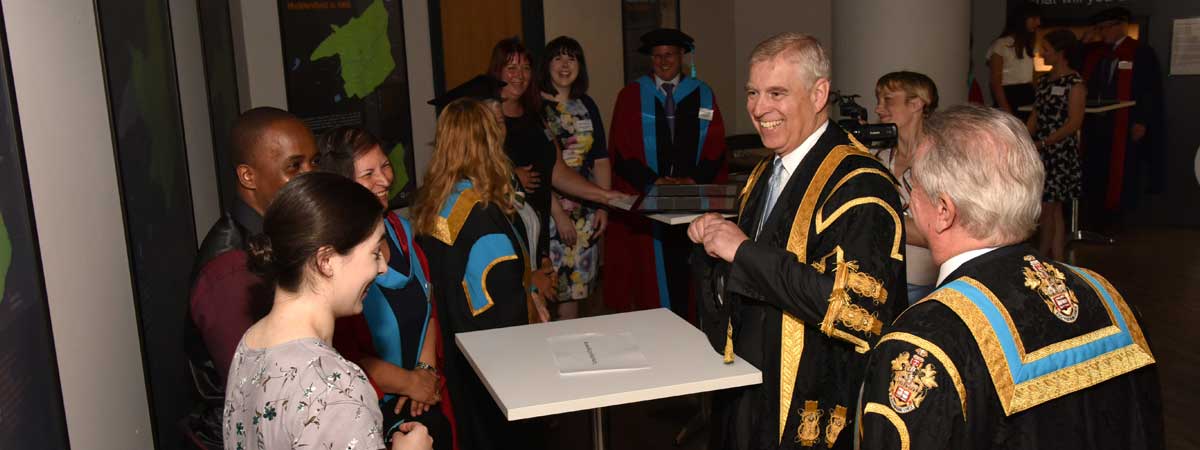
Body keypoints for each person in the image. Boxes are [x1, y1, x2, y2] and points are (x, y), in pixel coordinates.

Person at [858, 104, 1162, 450]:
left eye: (911, 182)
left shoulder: (924, 339)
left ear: (944, 210)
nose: (909, 199)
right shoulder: (1109, 298)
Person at [688, 33, 905, 449]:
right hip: (753, 383)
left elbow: (855, 312)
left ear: (819, 92)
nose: (758, 108)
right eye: (753, 92)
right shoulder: (763, 173)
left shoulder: (860, 184)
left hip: (813, 398)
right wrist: (713, 243)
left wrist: (741, 251)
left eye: (776, 93)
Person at [223, 172, 433, 450]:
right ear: (326, 261)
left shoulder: (251, 341)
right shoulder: (336, 388)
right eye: (374, 252)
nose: (382, 267)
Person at [412, 98, 543, 450]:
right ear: (488, 143)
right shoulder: (484, 219)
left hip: (454, 350)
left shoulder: (434, 203)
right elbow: (504, 305)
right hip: (493, 360)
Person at [184, 107, 317, 446]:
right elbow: (262, 392)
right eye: (294, 166)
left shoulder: (275, 237)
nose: (310, 176)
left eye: (313, 163)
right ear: (248, 177)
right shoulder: (229, 270)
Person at [318, 126, 455, 450]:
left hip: (426, 394)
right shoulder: (336, 261)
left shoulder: (399, 228)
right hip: (374, 412)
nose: (385, 179)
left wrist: (424, 373)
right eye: (368, 173)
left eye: (385, 165)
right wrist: (409, 383)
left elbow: (428, 305)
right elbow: (343, 356)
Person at [607, 28, 729, 318]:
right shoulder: (632, 95)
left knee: (691, 263)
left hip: (692, 196)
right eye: (658, 55)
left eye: (670, 55)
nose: (663, 61)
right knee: (653, 269)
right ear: (651, 58)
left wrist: (693, 179)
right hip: (651, 198)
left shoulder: (702, 94)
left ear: (681, 56)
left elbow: (716, 145)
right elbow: (621, 149)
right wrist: (653, 181)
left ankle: (694, 323)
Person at [539, 36, 611, 319]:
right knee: (546, 288)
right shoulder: (535, 107)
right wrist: (558, 214)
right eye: (558, 58)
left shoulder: (588, 105)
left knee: (575, 290)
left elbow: (601, 159)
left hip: (585, 211)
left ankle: (570, 352)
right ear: (547, 66)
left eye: (572, 58)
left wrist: (604, 204)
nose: (565, 64)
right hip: (546, 210)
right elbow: (539, 168)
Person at [1080, 6, 1165, 230]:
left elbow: (1150, 90)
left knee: (1122, 172)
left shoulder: (1141, 52)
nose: (1102, 33)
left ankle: (1117, 219)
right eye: (1099, 28)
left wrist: (1141, 121)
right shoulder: (1097, 54)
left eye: (1105, 28)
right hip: (1096, 123)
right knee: (1096, 169)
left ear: (1121, 26)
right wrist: (1085, 41)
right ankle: (1095, 217)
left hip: (1124, 123)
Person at [873, 71, 940, 304]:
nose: (879, 109)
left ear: (917, 104)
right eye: (878, 100)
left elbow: (934, 232)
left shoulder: (940, 160)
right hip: (876, 281)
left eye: (888, 100)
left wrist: (876, 217)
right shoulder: (876, 157)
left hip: (920, 284)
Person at [1027, 30, 1086, 261]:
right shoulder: (1043, 81)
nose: (1042, 54)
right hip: (1042, 150)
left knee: (1049, 208)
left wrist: (1044, 142)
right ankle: (1057, 259)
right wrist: (1024, 138)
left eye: (1047, 49)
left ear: (1061, 53)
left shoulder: (1075, 83)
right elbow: (1036, 114)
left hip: (1059, 153)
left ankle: (1042, 258)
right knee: (1053, 210)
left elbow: (1074, 122)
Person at [987, 4, 1040, 120]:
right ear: (1022, 19)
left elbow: (1034, 77)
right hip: (1008, 96)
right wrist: (1006, 108)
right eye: (1034, 18)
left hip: (1028, 95)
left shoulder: (1030, 45)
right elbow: (996, 82)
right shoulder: (1001, 45)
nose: (1038, 23)